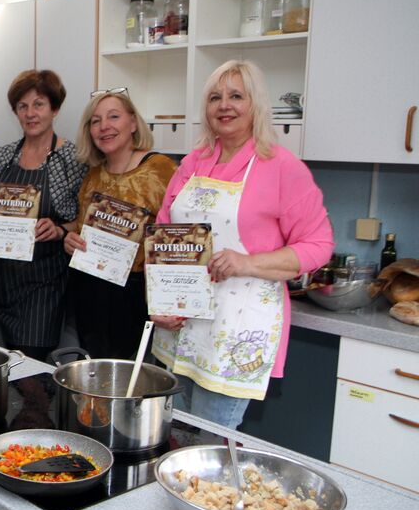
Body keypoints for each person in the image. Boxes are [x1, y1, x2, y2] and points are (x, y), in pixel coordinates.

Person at [151, 60, 333, 429]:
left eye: (236, 96)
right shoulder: (193, 163)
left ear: (256, 104)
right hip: (181, 326)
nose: (224, 105)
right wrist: (159, 303)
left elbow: (319, 244)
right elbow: (163, 235)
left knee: (209, 443)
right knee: (172, 436)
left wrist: (247, 263)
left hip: (237, 329)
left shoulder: (281, 167)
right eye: (214, 97)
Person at [0, 70, 85, 361]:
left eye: (38, 104)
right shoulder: (4, 155)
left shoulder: (72, 159)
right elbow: (1, 209)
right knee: (4, 361)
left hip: (44, 282)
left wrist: (60, 230)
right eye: (22, 106)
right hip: (2, 278)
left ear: (54, 109)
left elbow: (86, 218)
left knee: (31, 364)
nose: (30, 113)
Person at [63, 89, 177, 359]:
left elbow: (178, 235)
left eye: (114, 116)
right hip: (90, 291)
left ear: (133, 123)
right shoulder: (92, 176)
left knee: (131, 375)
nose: (104, 126)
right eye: (96, 121)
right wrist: (71, 240)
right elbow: (81, 229)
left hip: (136, 295)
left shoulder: (160, 169)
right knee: (93, 369)